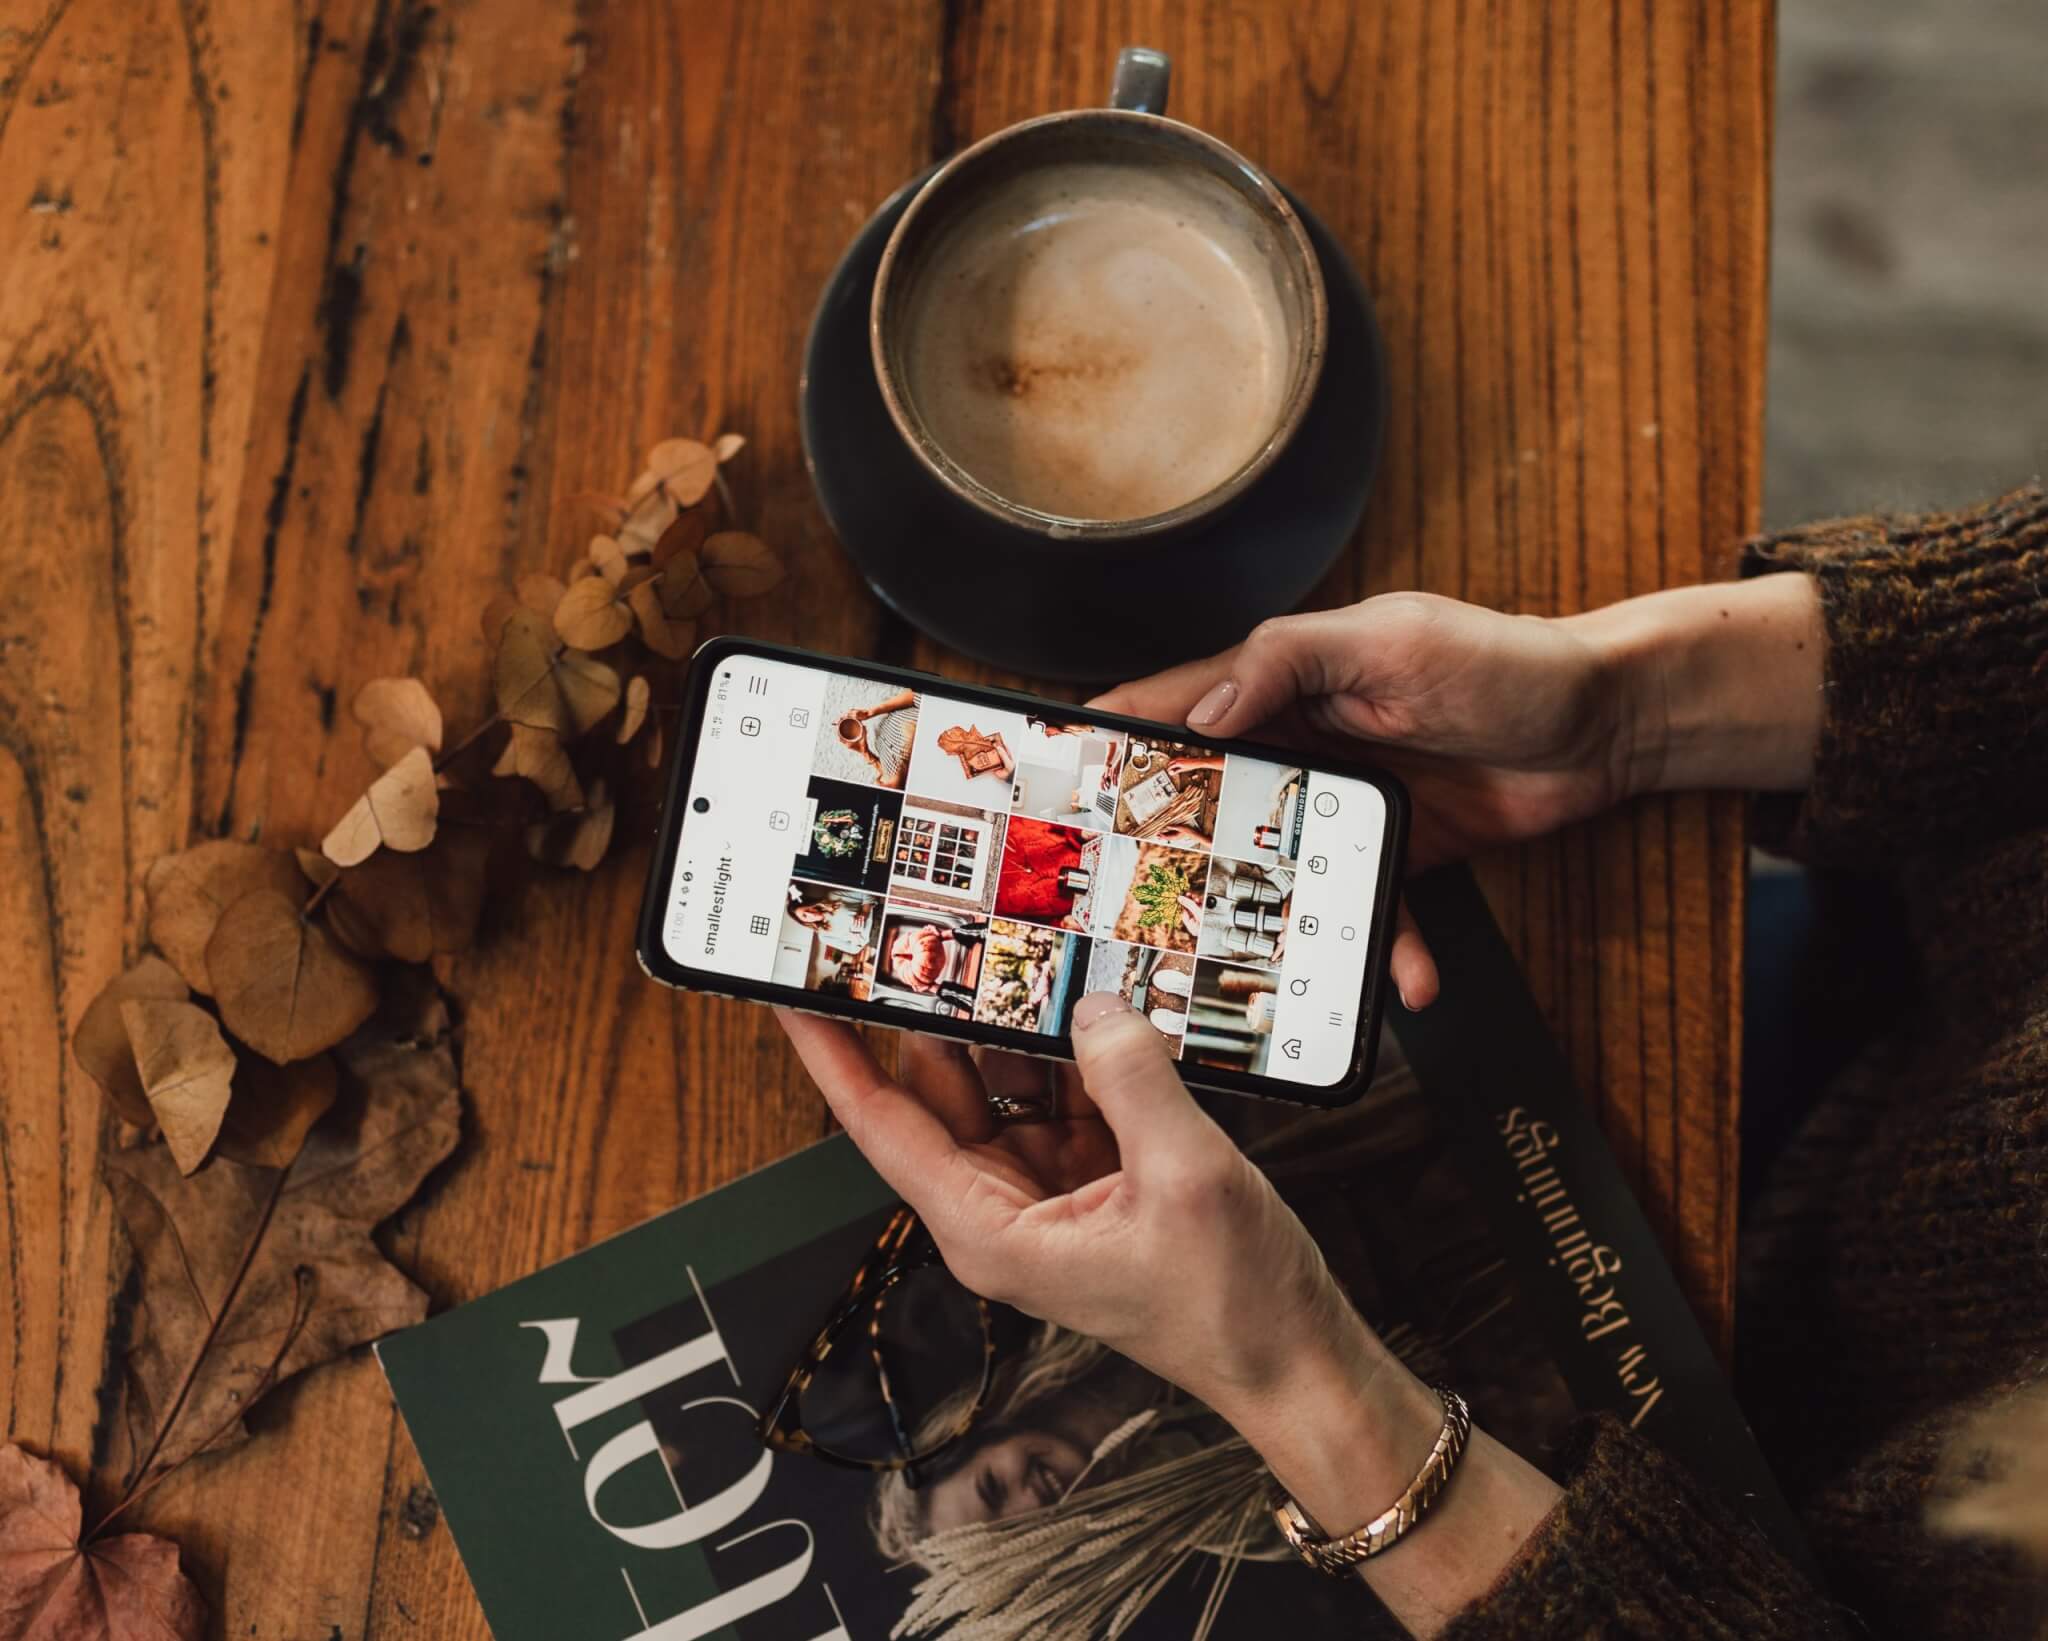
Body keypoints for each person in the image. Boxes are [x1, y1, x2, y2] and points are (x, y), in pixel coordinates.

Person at [782, 485, 2048, 1638]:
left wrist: (1294, 1380)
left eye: (986, 1485)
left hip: (1800, 1430)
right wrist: (1624, 707)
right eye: (1011, 1510)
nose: (1020, 1489)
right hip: (1924, 971)